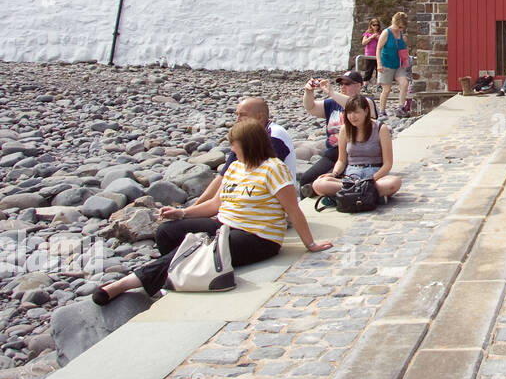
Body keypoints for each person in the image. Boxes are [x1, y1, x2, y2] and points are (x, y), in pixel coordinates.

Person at [91, 120, 331, 304]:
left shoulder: (273, 169)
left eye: (233, 143)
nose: (230, 148)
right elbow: (217, 204)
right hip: (224, 224)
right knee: (168, 231)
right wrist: (183, 213)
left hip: (257, 236)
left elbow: (293, 209)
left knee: (204, 247)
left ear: (247, 144)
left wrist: (310, 244)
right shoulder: (236, 167)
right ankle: (177, 273)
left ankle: (127, 283)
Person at [189, 97, 295, 210]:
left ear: (260, 117)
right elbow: (223, 176)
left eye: (243, 115)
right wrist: (196, 206)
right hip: (249, 197)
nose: (237, 120)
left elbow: (259, 176)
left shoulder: (275, 136)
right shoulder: (245, 136)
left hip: (270, 205)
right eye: (237, 115)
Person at [311, 95, 403, 202]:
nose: (352, 116)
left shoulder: (380, 129)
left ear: (366, 111)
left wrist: (372, 179)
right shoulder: (345, 129)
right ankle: (368, 196)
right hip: (351, 177)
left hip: (374, 176)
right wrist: (334, 174)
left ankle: (345, 196)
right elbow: (341, 160)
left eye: (356, 112)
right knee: (319, 184)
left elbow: (387, 164)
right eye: (349, 113)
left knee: (394, 182)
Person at [300, 71, 377, 197]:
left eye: (347, 83)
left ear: (359, 85)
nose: (343, 86)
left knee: (331, 180)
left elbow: (354, 105)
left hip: (356, 154)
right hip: (333, 152)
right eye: (341, 83)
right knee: (305, 179)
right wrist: (308, 92)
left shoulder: (366, 103)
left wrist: (331, 93)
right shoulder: (333, 102)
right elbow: (311, 107)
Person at [377, 11, 411, 117]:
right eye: (399, 27)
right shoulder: (386, 33)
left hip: (398, 64)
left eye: (402, 28)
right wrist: (379, 63)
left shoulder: (400, 33)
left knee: (404, 83)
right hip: (386, 63)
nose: (400, 29)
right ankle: (382, 110)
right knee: (386, 89)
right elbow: (379, 48)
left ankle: (400, 107)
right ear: (395, 23)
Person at [359, 19, 382, 84]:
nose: (375, 27)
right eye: (374, 25)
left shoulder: (381, 33)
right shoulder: (367, 33)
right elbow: (363, 42)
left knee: (379, 71)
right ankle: (365, 85)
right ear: (371, 25)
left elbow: (383, 42)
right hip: (369, 54)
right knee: (368, 70)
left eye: (377, 25)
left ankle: (379, 85)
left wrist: (377, 37)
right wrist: (371, 37)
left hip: (378, 54)